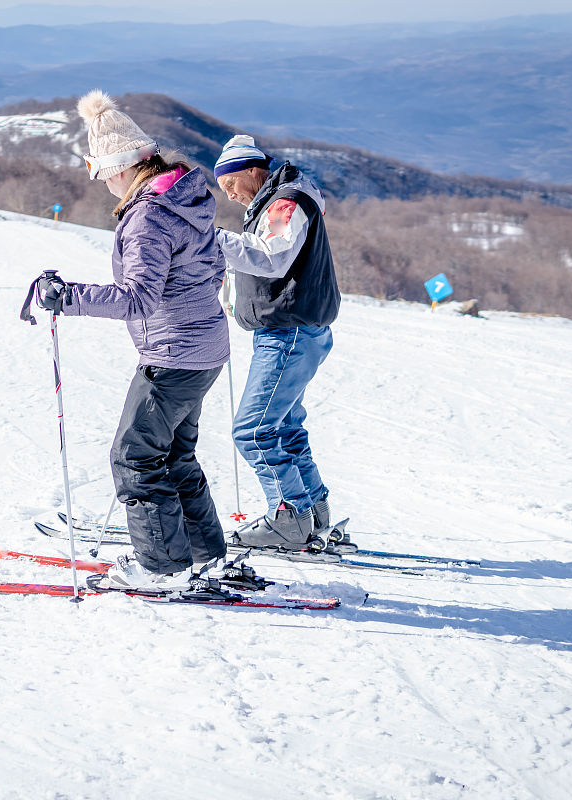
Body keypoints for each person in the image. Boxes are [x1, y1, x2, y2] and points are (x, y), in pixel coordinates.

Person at [30, 90, 230, 590]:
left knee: (135, 457)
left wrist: (67, 297)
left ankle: (161, 567)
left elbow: (136, 299)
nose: (102, 186)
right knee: (175, 455)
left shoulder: (148, 217)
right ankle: (206, 556)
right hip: (205, 349)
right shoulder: (187, 195)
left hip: (173, 355)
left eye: (100, 175)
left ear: (118, 167)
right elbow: (215, 267)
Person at [212, 134, 349, 554]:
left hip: (288, 333)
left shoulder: (285, 201)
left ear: (253, 170)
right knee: (285, 428)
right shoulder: (278, 200)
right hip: (294, 330)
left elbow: (272, 257)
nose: (230, 195)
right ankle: (313, 513)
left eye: (231, 184)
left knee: (252, 431)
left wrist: (211, 240)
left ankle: (289, 517)